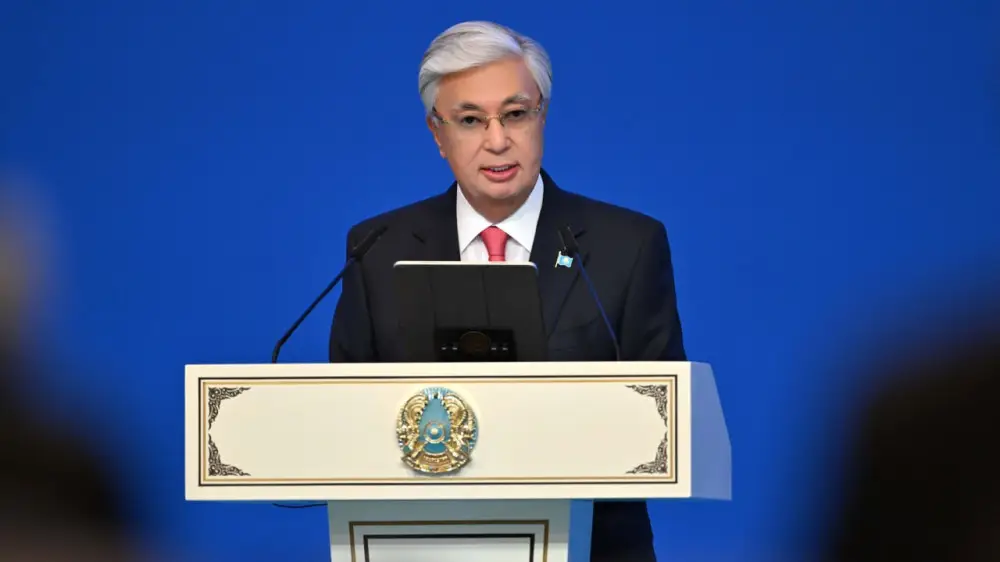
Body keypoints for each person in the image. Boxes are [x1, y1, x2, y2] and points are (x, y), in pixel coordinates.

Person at [329, 21, 686, 562]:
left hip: (589, 546)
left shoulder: (628, 246)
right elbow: (342, 410)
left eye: (515, 114)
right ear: (437, 133)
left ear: (543, 116)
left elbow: (664, 419)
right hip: (416, 544)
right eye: (470, 120)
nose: (497, 141)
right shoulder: (377, 249)